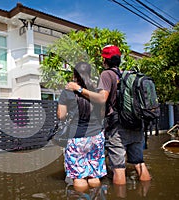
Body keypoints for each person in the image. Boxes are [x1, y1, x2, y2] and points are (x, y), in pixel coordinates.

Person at [65, 45, 151, 185]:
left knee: (118, 168)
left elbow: (101, 99)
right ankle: (147, 192)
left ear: (105, 60)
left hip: (119, 127)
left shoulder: (107, 74)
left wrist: (78, 89)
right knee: (139, 163)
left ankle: (119, 194)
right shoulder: (126, 75)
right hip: (136, 124)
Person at [57, 62, 107, 192]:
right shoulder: (96, 91)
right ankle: (96, 195)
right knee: (94, 175)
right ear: (89, 74)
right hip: (96, 136)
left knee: (79, 177)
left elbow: (61, 116)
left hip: (77, 138)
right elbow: (102, 113)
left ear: (74, 75)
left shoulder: (67, 92)